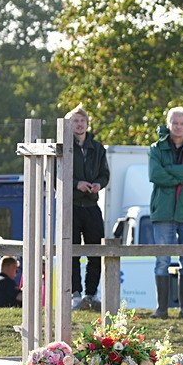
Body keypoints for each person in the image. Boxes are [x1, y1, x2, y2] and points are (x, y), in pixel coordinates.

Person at [148, 106, 183, 319]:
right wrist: (182, 175)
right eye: (175, 123)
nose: (178, 127)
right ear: (168, 123)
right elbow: (155, 175)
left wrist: (169, 169)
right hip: (163, 211)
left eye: (182, 123)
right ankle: (161, 309)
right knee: (162, 260)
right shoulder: (156, 148)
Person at [67, 104, 110, 311]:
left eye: (82, 120)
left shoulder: (98, 148)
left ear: (87, 123)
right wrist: (77, 184)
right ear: (69, 125)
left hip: (92, 204)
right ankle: (75, 294)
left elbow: (105, 174)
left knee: (95, 250)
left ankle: (91, 294)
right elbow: (57, 175)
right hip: (72, 205)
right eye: (75, 121)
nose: (79, 124)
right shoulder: (64, 146)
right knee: (72, 251)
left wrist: (98, 184)